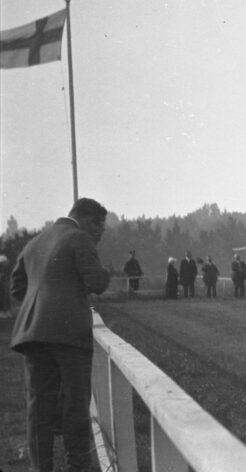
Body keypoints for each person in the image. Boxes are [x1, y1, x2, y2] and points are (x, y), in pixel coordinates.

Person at [9, 197, 111, 472]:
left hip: (32, 335)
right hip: (69, 336)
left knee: (38, 409)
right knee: (75, 406)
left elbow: (17, 289)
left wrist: (43, 306)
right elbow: (97, 282)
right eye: (100, 226)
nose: (101, 232)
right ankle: (77, 466)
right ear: (89, 220)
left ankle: (40, 468)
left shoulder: (34, 242)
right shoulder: (79, 238)